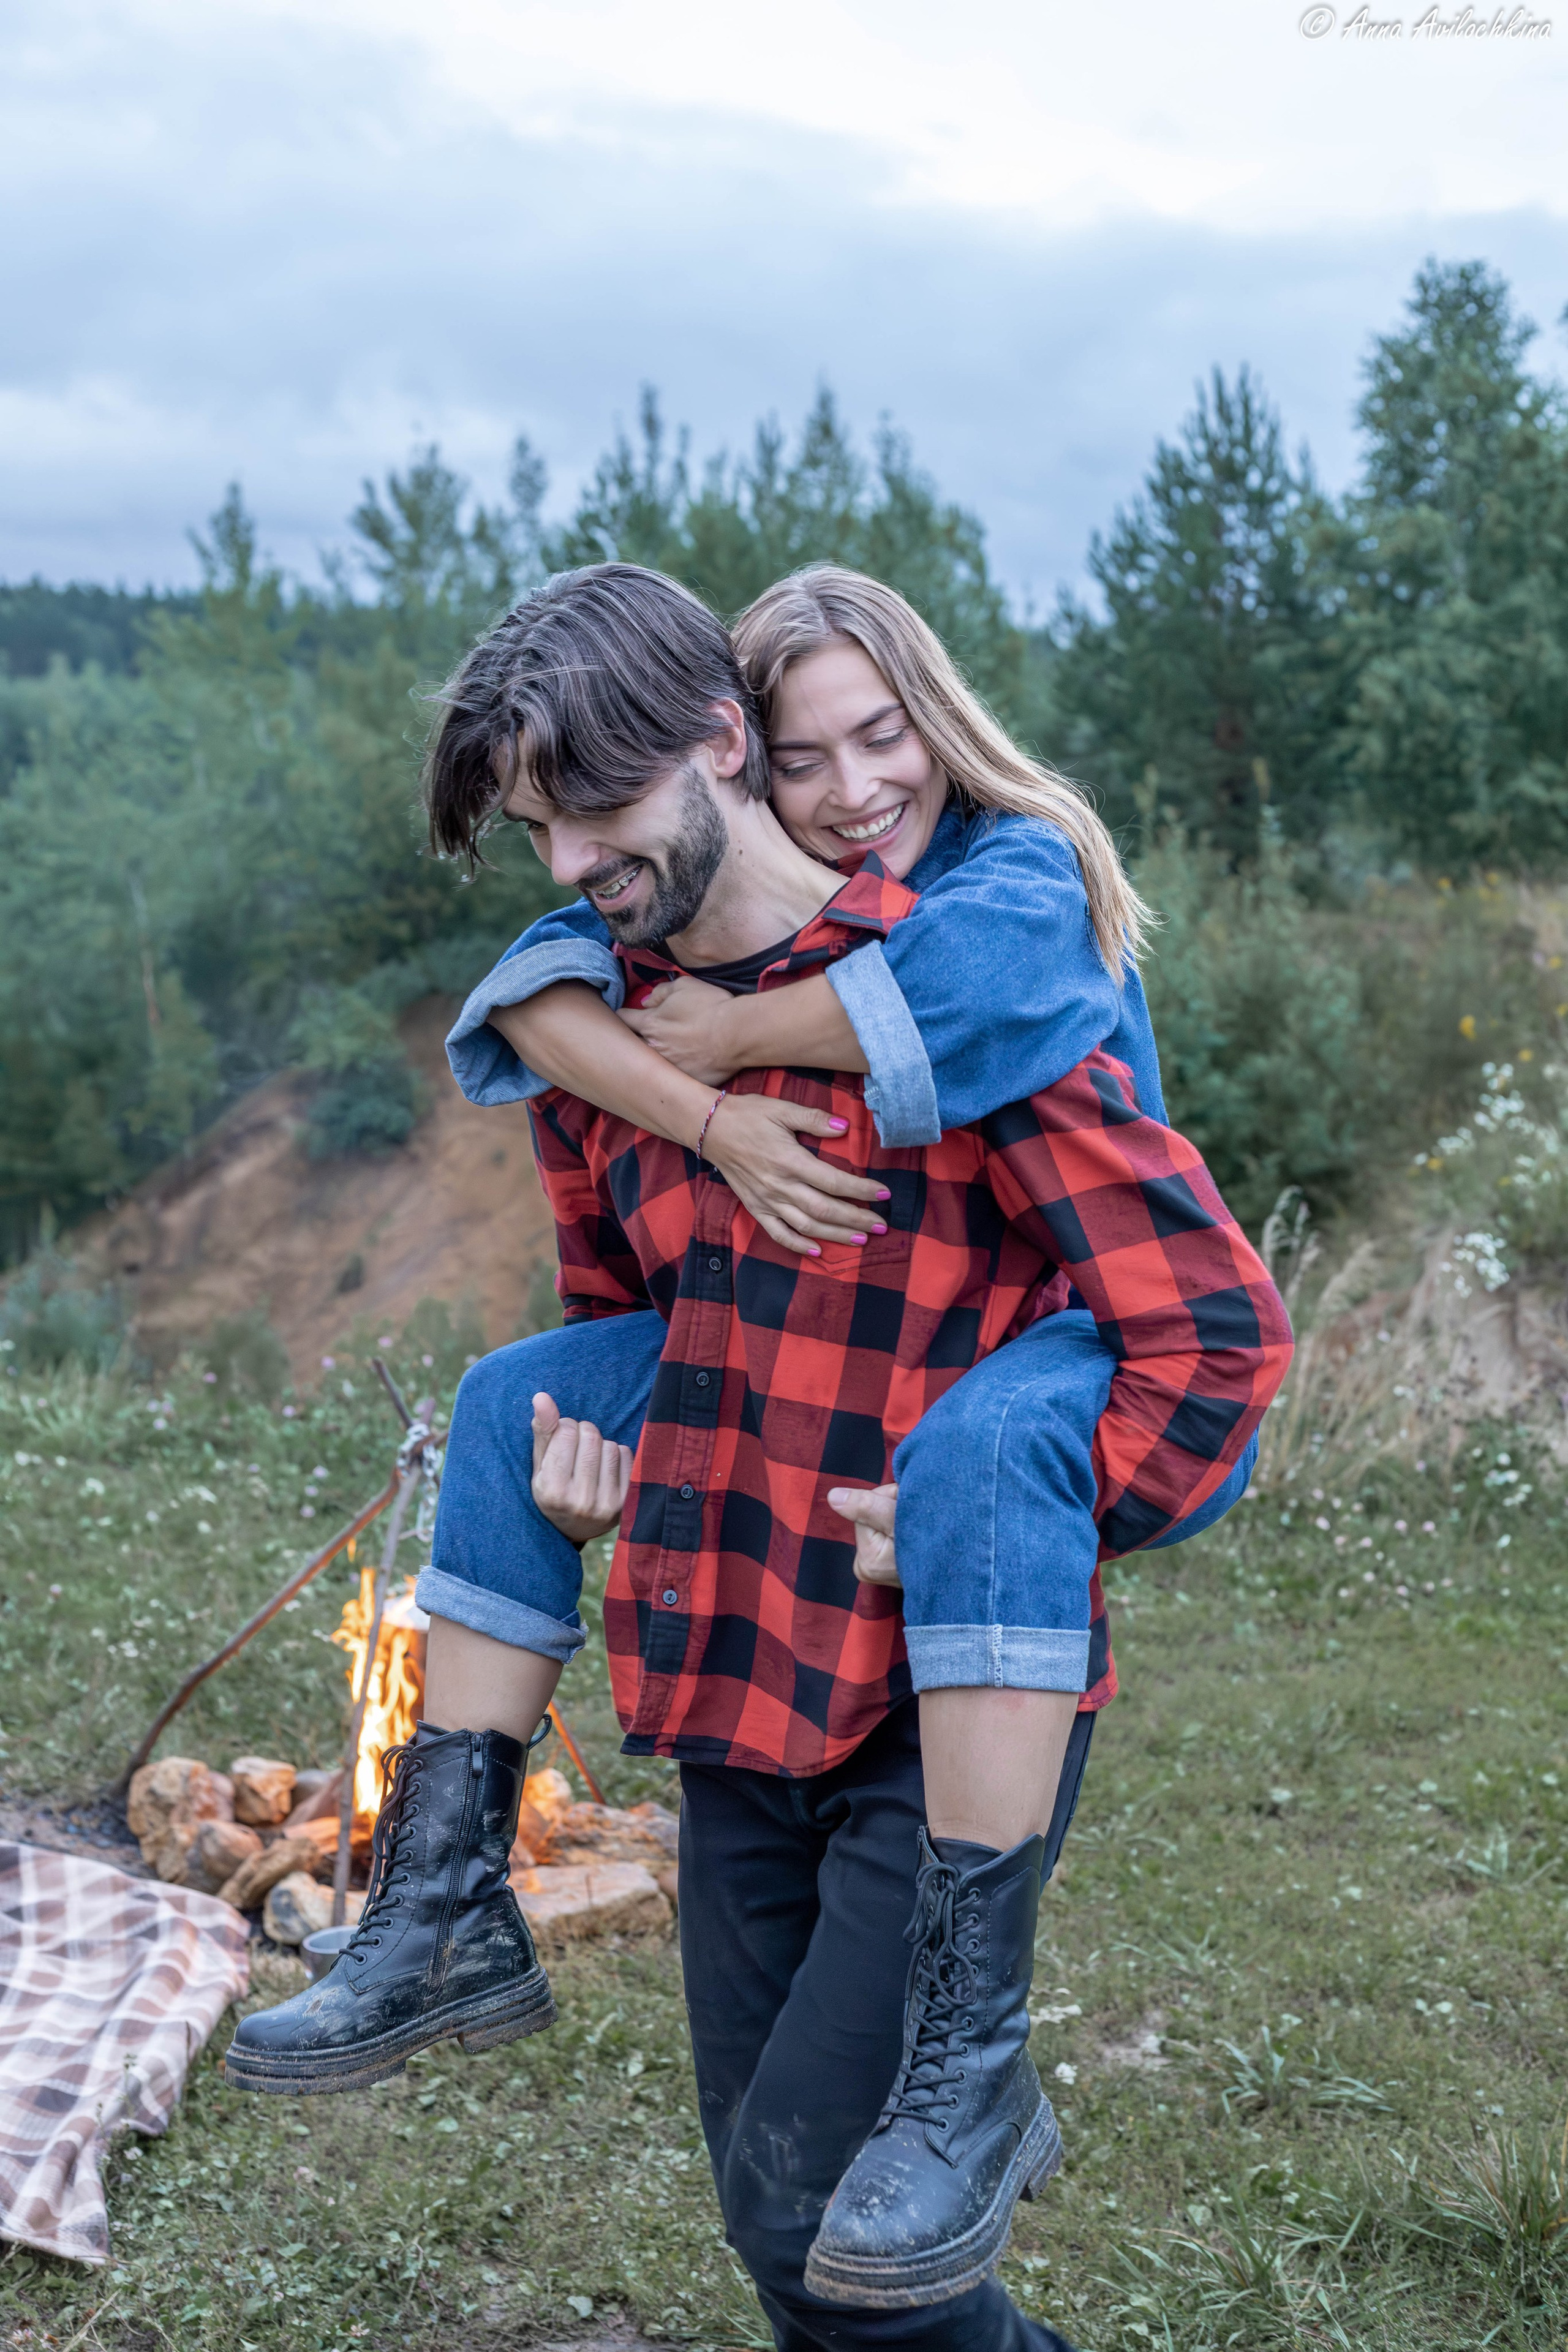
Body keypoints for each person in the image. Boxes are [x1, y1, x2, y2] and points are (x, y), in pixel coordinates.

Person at [227, 568, 1292, 2352]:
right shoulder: (613, 1038)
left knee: (832, 2240)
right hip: (736, 1681)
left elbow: (1210, 1332)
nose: (568, 862)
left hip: (930, 1719)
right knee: (782, 2228)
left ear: (717, 750)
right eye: (538, 830)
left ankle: (978, 2062)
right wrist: (600, 1469)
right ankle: (444, 1902)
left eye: (592, 813)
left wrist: (1017, 1516)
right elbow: (626, 1318)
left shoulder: (976, 1007)